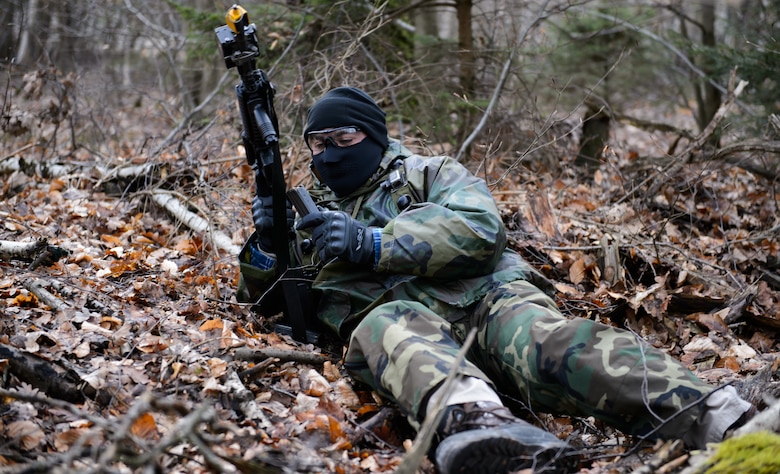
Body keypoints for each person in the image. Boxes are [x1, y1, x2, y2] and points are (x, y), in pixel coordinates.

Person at [236, 86, 753, 473]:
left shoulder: (427, 173)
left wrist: (371, 243)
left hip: (488, 301)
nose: (329, 152)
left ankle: (726, 420)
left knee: (555, 346)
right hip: (400, 327)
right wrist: (266, 242)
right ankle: (481, 431)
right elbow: (270, 303)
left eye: (343, 138)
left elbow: (480, 229)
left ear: (372, 136)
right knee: (385, 325)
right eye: (317, 143)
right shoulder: (308, 211)